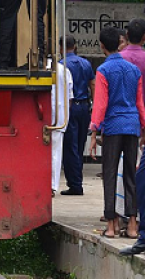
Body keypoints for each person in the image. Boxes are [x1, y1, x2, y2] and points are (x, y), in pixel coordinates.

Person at [89, 27, 145, 240]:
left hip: (112, 127)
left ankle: (111, 226)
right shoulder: (134, 71)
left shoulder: (104, 70)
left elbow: (101, 105)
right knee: (130, 175)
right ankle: (132, 225)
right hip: (132, 126)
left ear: (102, 46)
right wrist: (143, 127)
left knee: (110, 175)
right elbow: (140, 103)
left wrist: (94, 130)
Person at [60, 35, 95, 196]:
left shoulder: (61, 66)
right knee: (80, 145)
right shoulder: (85, 63)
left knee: (70, 147)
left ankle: (75, 184)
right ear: (74, 46)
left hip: (70, 107)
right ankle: (77, 180)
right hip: (84, 107)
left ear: (61, 48)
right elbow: (92, 84)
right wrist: (93, 106)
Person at [51, 60, 73, 196]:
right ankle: (52, 186)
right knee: (55, 153)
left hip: (42, 115)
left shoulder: (43, 68)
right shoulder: (64, 71)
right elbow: (70, 97)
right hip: (59, 116)